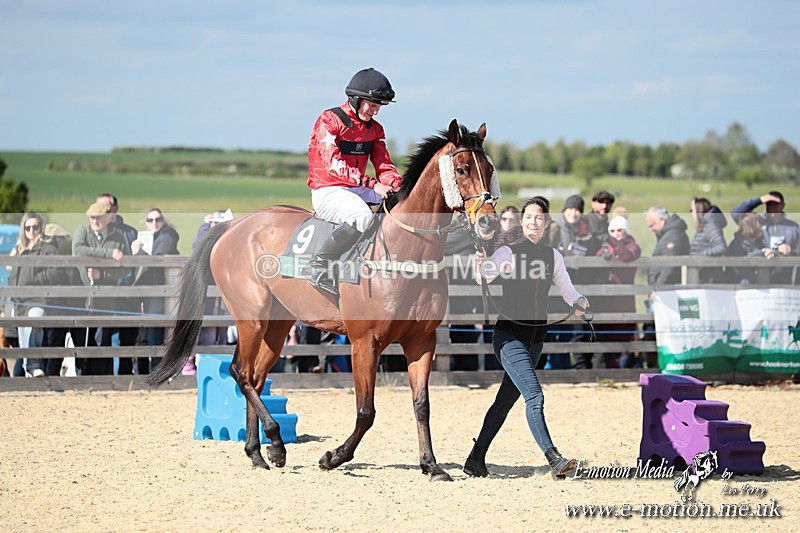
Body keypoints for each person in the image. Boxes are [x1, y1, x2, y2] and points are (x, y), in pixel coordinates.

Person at [463, 196, 587, 480]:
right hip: (509, 337)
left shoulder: (553, 256)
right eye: (528, 217)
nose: (533, 222)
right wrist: (481, 265)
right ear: (522, 222)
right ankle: (554, 459)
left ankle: (475, 458)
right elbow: (484, 277)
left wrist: (579, 301)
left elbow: (567, 289)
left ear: (546, 222)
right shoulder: (508, 252)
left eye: (538, 217)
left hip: (535, 341)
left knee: (504, 402)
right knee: (534, 395)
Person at [306, 67, 402, 294]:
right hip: (328, 189)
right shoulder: (328, 120)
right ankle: (319, 266)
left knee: (399, 205)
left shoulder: (376, 130)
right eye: (373, 105)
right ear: (356, 99)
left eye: (380, 106)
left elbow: (384, 165)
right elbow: (334, 165)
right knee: (362, 217)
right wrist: (373, 184)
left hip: (357, 188)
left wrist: (399, 188)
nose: (376, 111)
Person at [72, 201, 132, 375]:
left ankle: (101, 378)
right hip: (82, 298)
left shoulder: (118, 237)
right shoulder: (83, 232)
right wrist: (108, 254)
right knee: (83, 339)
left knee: (102, 339)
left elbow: (125, 269)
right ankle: (83, 377)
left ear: (108, 218)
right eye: (92, 218)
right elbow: (78, 250)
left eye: (98, 218)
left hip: (106, 299)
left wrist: (102, 275)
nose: (94, 221)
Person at [8, 213, 70, 377]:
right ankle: (30, 374)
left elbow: (59, 272)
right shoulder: (19, 250)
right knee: (23, 342)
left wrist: (36, 278)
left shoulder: (48, 249)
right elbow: (13, 277)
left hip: (38, 299)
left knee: (35, 318)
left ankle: (34, 364)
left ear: (41, 228)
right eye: (27, 227)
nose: (31, 231)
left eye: (35, 227)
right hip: (19, 302)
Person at [131, 208, 180, 373]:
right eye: (150, 220)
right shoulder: (147, 237)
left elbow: (158, 260)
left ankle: (156, 371)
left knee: (155, 331)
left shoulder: (168, 235)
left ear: (163, 220)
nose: (154, 223)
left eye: (158, 219)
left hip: (160, 290)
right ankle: (143, 372)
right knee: (143, 333)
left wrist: (139, 252)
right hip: (147, 289)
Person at [554, 194, 600, 369]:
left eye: (577, 210)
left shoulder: (586, 231)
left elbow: (594, 251)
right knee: (557, 329)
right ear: (564, 210)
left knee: (574, 329)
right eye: (570, 209)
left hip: (579, 284)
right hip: (557, 286)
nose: (573, 213)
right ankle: (556, 367)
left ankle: (575, 367)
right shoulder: (555, 228)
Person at [96, 193, 139, 374]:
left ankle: (123, 377)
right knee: (103, 338)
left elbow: (134, 265)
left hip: (127, 292)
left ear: (116, 208)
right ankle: (103, 377)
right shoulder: (96, 231)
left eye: (107, 207)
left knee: (127, 338)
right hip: (103, 292)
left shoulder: (130, 232)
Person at [190, 209, 234, 375]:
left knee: (221, 336)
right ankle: (206, 371)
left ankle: (219, 372)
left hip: (224, 298)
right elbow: (198, 247)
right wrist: (205, 226)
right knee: (208, 335)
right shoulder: (208, 237)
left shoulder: (231, 241)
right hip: (210, 297)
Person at [594, 215, 641, 368]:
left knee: (626, 340)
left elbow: (627, 255)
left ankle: (627, 371)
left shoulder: (633, 245)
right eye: (612, 231)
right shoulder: (607, 246)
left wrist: (613, 245)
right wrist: (604, 253)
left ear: (626, 231)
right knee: (608, 339)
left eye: (620, 230)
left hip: (624, 301)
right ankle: (610, 371)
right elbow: (597, 257)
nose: (616, 234)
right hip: (608, 301)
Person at [731, 191, 799, 284]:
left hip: (787, 279)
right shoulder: (757, 223)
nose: (772, 207)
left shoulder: (794, 227)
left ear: (783, 205)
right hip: (762, 277)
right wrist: (759, 200)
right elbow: (735, 213)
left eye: (776, 204)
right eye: (769, 204)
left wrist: (791, 251)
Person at [644, 206, 690, 286]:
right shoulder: (667, 235)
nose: (651, 229)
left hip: (668, 288)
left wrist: (658, 286)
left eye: (652, 225)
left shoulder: (673, 236)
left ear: (661, 220)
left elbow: (670, 265)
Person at [689, 197, 727, 283]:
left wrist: (701, 255)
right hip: (703, 276)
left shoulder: (711, 226)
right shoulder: (704, 226)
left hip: (710, 279)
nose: (691, 214)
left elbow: (721, 247)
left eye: (692, 210)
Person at [725, 213, 767, 285]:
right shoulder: (737, 244)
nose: (762, 228)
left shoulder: (759, 242)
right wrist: (761, 253)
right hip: (740, 285)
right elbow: (739, 269)